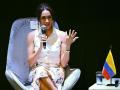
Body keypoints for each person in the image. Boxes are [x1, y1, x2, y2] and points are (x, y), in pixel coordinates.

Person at [27, 3, 79, 90]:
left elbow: (63, 64)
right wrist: (40, 47)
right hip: (38, 72)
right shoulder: (31, 36)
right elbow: (30, 63)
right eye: (43, 18)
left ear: (52, 19)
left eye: (49, 17)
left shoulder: (62, 35)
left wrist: (68, 46)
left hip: (56, 72)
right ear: (39, 20)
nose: (47, 21)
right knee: (40, 71)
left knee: (41, 80)